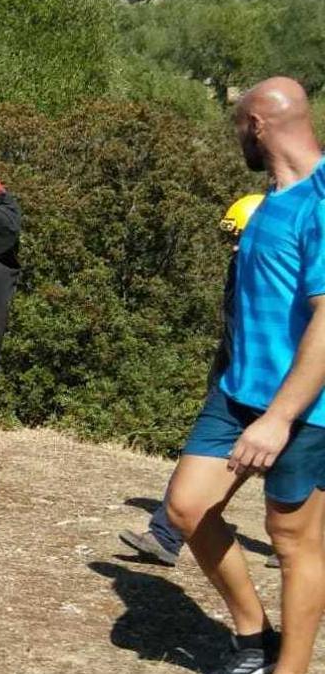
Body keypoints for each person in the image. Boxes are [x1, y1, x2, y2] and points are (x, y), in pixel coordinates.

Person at [165, 77, 325, 674]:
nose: (238, 137)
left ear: (257, 124)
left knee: (293, 541)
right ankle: (254, 633)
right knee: (186, 508)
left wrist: (279, 419)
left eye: (238, 126)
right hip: (238, 393)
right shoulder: (274, 198)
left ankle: (292, 667)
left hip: (304, 408)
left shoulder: (320, 200)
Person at [119, 194, 266, 568]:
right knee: (202, 459)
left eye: (241, 236)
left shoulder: (278, 280)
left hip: (274, 393)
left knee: (300, 488)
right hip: (232, 385)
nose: (233, 245)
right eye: (230, 237)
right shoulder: (240, 269)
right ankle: (165, 536)